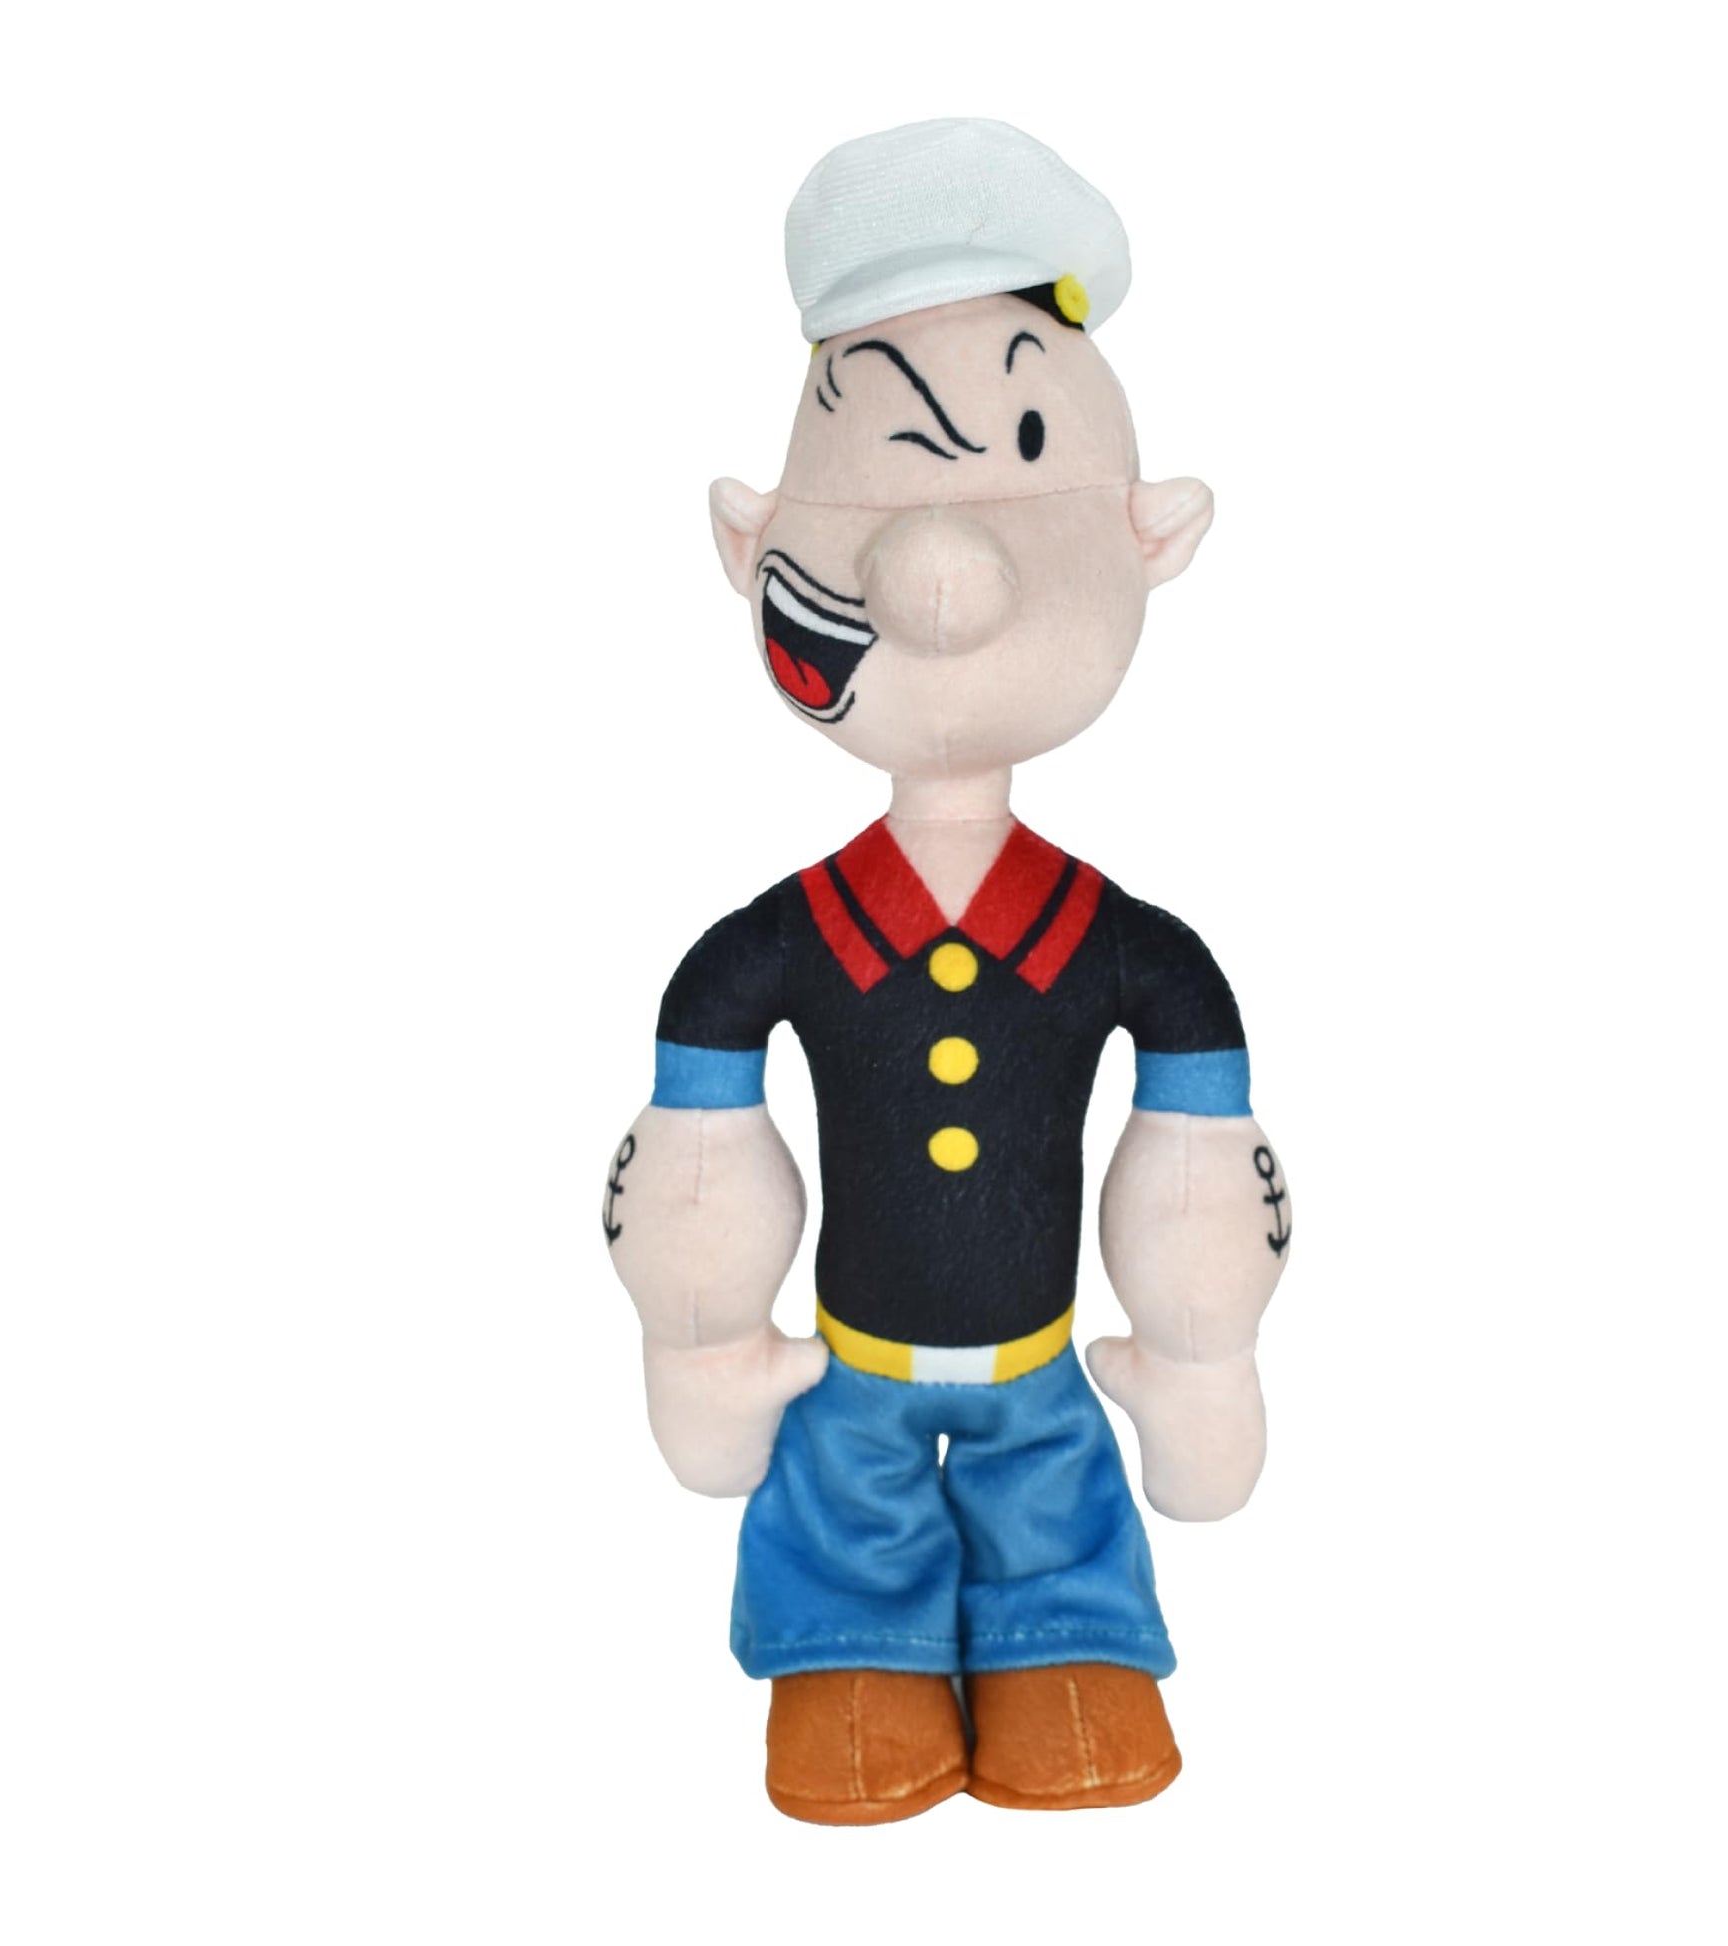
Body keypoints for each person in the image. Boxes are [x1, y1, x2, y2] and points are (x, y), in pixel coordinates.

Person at [606, 119, 1290, 1824]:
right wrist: (701, 1322)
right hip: (845, 1361)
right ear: (756, 537)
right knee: (838, 1499)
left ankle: (1063, 1640)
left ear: (1146, 534)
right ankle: (852, 1652)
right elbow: (697, 1135)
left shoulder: (1125, 944)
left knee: (1054, 1491)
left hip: (1041, 1361)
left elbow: (1198, 1148)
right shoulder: (780, 938)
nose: (940, 569)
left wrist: (1198, 1342)